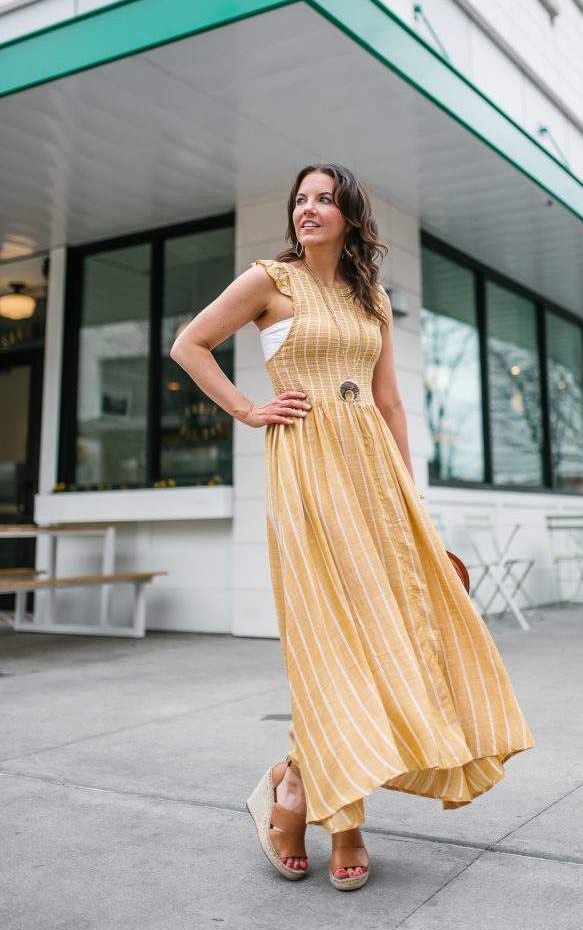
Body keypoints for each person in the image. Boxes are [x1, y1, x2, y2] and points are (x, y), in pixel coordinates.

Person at [170, 162, 534, 892]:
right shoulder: (269, 280)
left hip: (375, 477)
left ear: (350, 214)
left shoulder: (373, 299)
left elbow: (391, 404)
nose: (308, 210)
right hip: (308, 474)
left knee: (387, 637)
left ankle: (293, 782)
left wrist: (412, 499)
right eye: (300, 200)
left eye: (323, 200)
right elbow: (189, 344)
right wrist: (248, 409)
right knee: (330, 642)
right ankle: (347, 822)